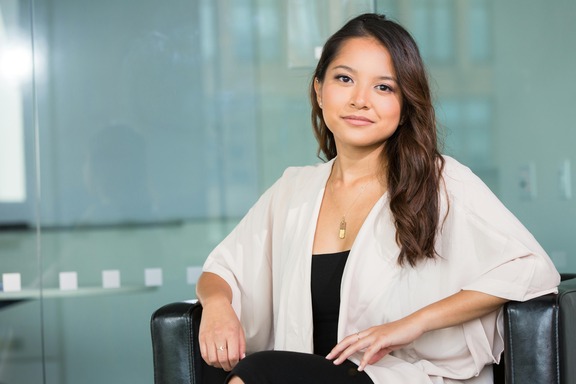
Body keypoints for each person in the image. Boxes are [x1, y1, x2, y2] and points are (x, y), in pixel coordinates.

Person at [195, 13, 560, 384]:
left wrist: (411, 325)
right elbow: (223, 269)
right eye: (345, 79)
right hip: (306, 373)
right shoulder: (293, 190)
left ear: (405, 106)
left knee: (258, 372)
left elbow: (530, 267)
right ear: (319, 89)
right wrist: (217, 305)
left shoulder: (439, 181)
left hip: (397, 377)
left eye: (383, 87)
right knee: (228, 368)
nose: (360, 100)